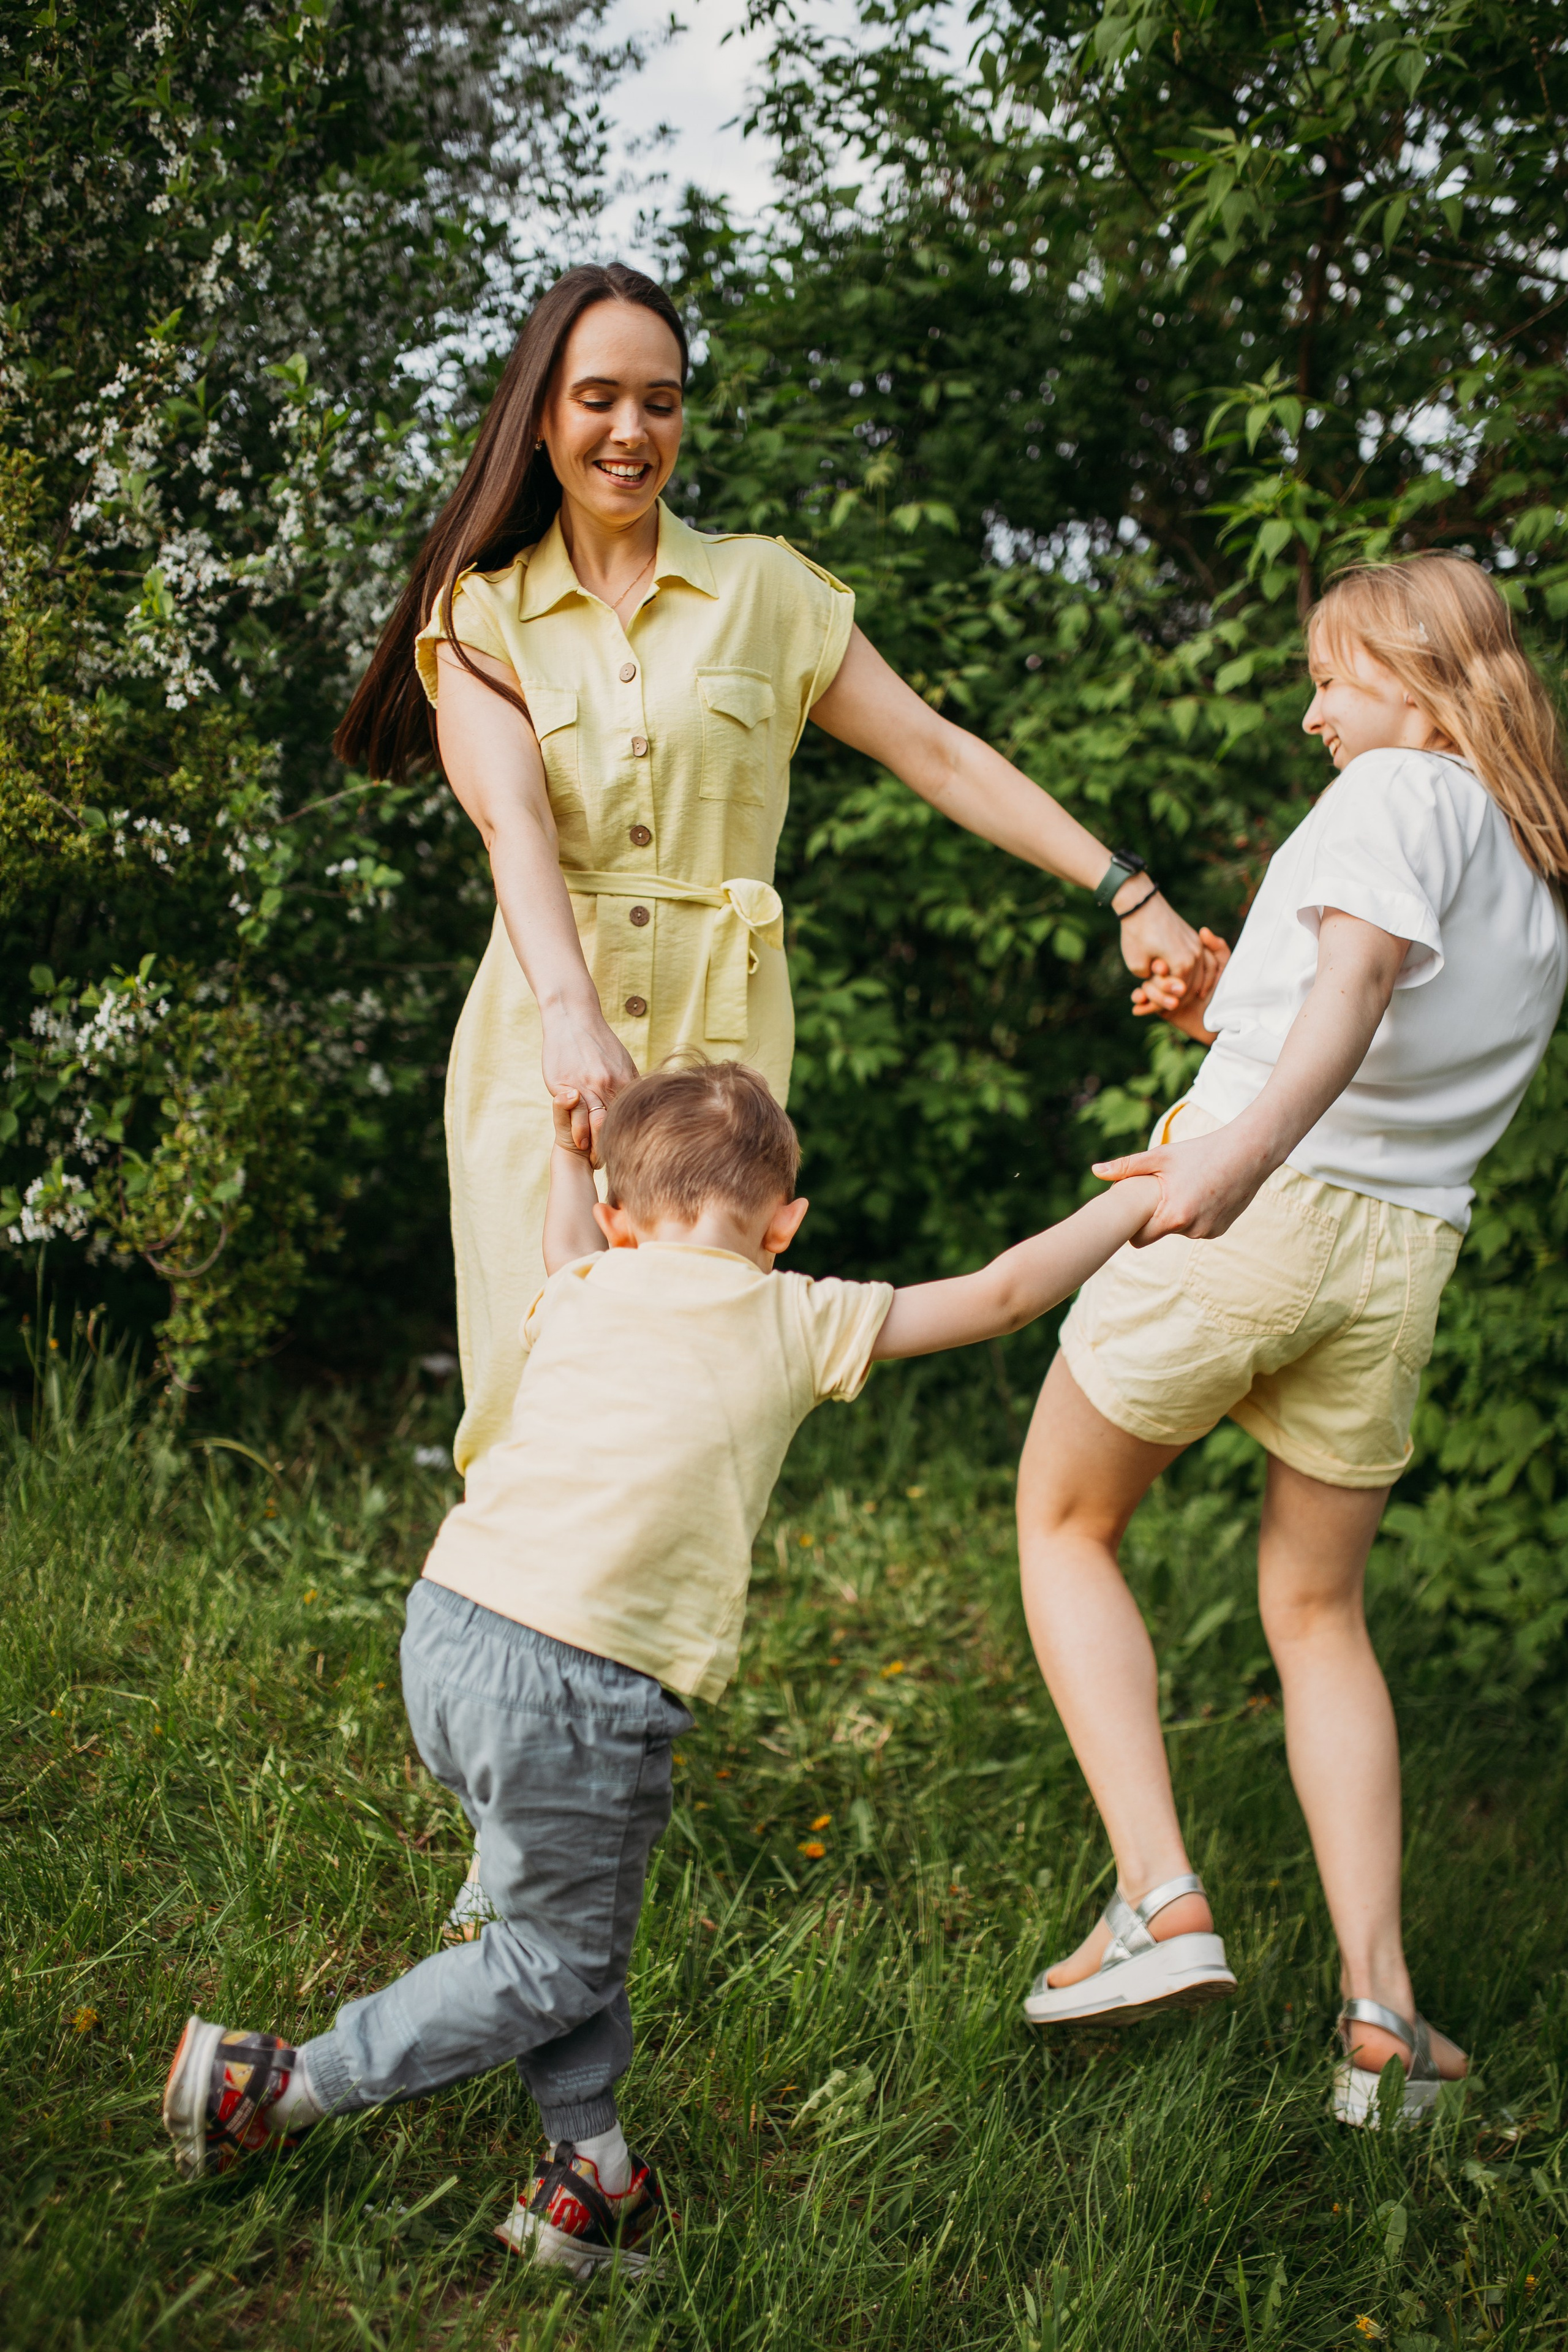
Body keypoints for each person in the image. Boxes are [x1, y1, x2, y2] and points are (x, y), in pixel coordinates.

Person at [161, 1061, 1161, 2267]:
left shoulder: (583, 1284)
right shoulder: (795, 1310)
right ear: (783, 1224)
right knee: (555, 1953)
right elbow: (1002, 1294)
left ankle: (592, 2175)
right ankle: (280, 2087)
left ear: (619, 1219)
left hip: (448, 1630)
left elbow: (556, 1238)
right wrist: (1135, 1204)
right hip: (577, 1679)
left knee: (563, 1918)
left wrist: (568, 1153)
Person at [333, 260, 1208, 1482]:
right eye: (598, 398)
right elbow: (513, 827)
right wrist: (570, 1017)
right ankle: (500, 1657)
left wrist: (1125, 886)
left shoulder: (767, 592)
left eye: (662, 399)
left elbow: (939, 756)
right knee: (537, 1390)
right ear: (540, 415)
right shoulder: (481, 614)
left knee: (691, 1404)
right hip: (545, 1048)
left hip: (716, 1056)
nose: (632, 432)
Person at [1013, 553, 1568, 2127]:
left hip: (1259, 1206)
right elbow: (1354, 1024)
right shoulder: (1530, 865)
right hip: (1397, 1259)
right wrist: (1215, 1007)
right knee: (1318, 1610)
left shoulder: (1402, 789)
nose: (1313, 709)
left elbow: (1353, 986)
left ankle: (1154, 1902)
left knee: (1062, 1520)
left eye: (1332, 675)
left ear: (1414, 671)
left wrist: (1224, 1156)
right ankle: (1381, 2019)